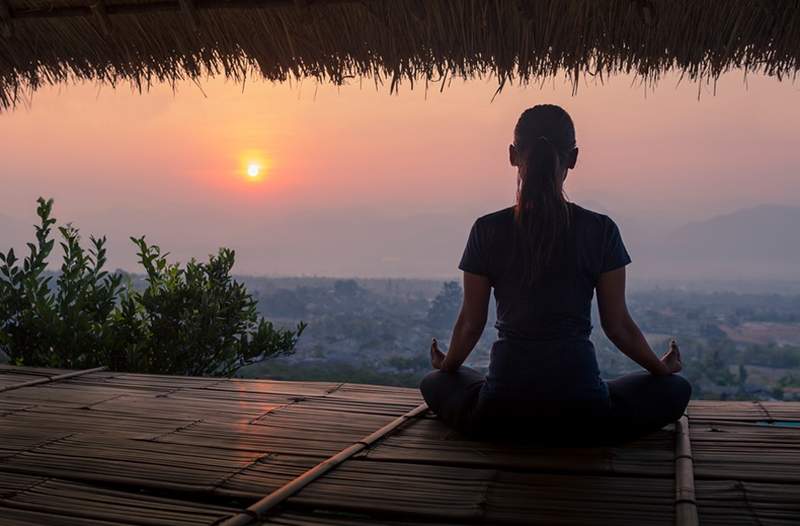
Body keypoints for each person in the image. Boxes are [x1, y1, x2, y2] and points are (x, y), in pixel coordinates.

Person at [419, 104, 691, 445]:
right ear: (574, 157)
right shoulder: (601, 230)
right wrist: (661, 369)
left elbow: (471, 324)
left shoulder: (487, 230)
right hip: (584, 414)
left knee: (434, 382)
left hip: (500, 413)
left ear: (512, 155)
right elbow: (617, 326)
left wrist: (446, 366)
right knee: (677, 389)